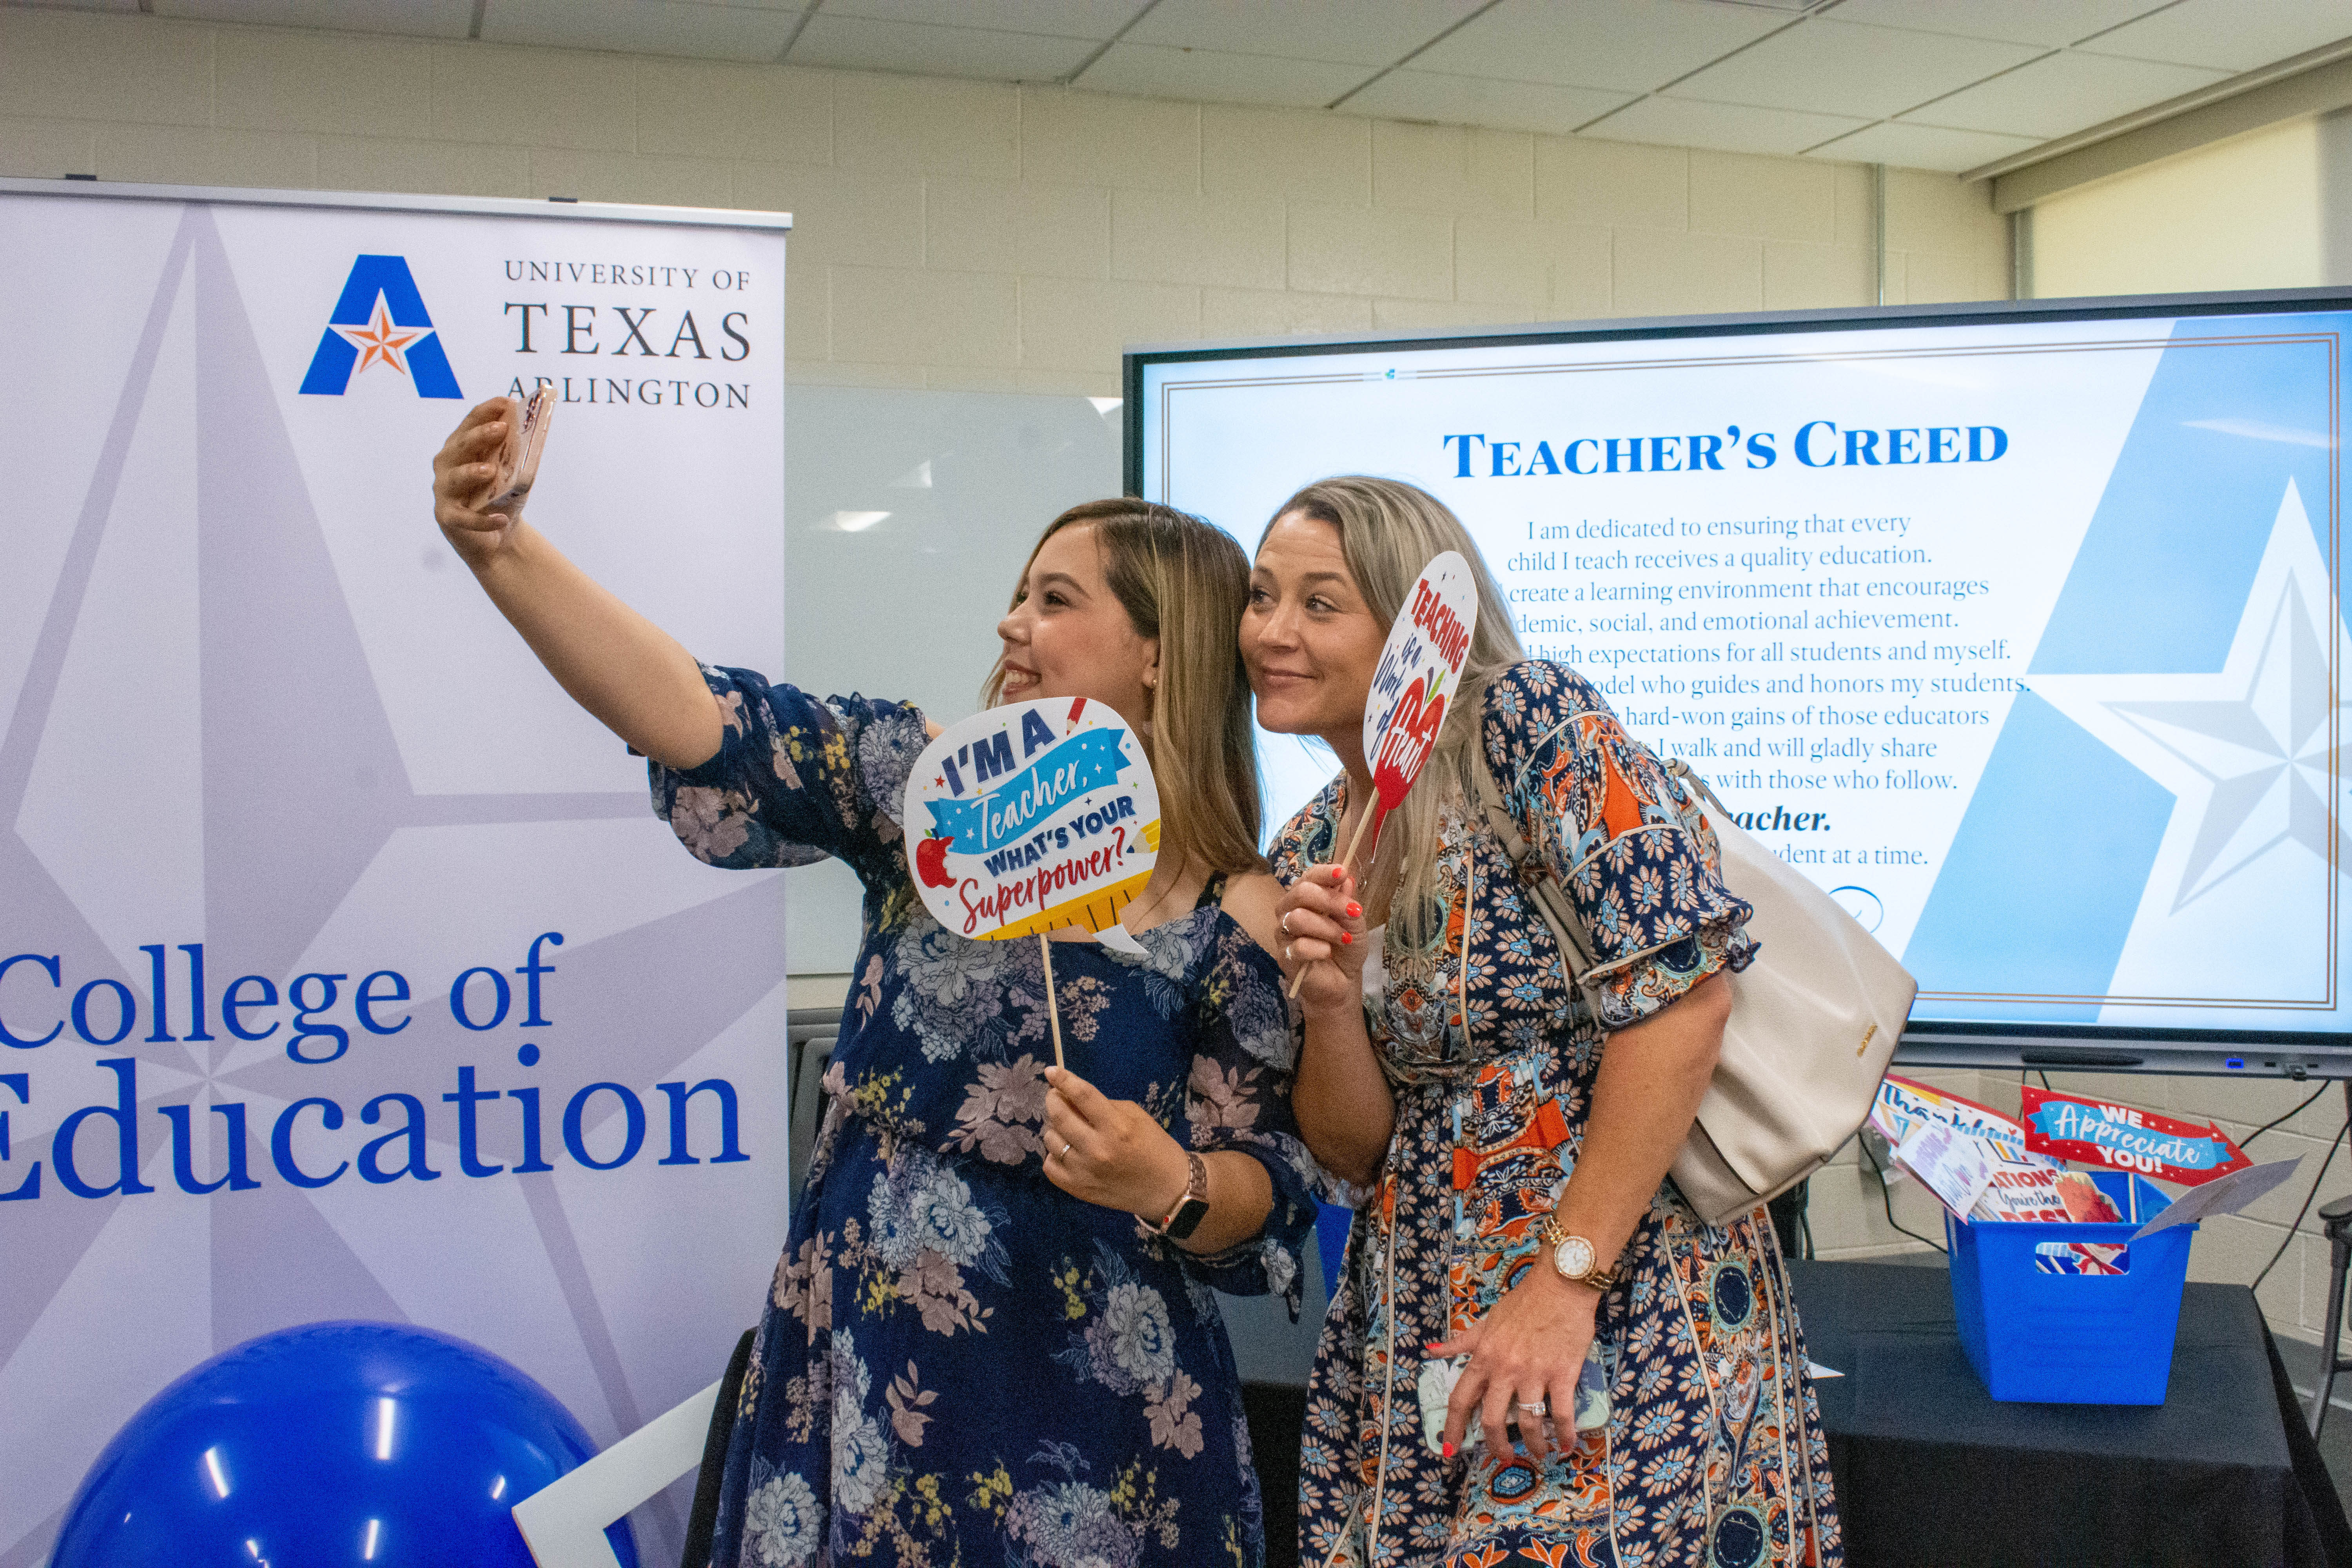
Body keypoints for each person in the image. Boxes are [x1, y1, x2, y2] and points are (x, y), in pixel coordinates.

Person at [429, 399, 1319, 1568]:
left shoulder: (1239, 908)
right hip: (868, 1397)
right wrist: (502, 547)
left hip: (1107, 1435)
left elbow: (1270, 1192)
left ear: (1162, 651)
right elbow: (706, 719)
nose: (1011, 622)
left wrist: (1171, 1179)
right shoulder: (932, 797)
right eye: (1019, 592)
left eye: (1056, 600)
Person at [1247, 476, 1841, 1567]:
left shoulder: (1526, 724)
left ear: (1413, 623)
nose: (1273, 634)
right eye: (1261, 597)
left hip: (1618, 1296)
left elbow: (1684, 1000)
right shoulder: (1309, 849)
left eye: (1320, 604)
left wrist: (1566, 1285)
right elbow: (1354, 1149)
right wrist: (1329, 1006)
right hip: (1417, 1317)